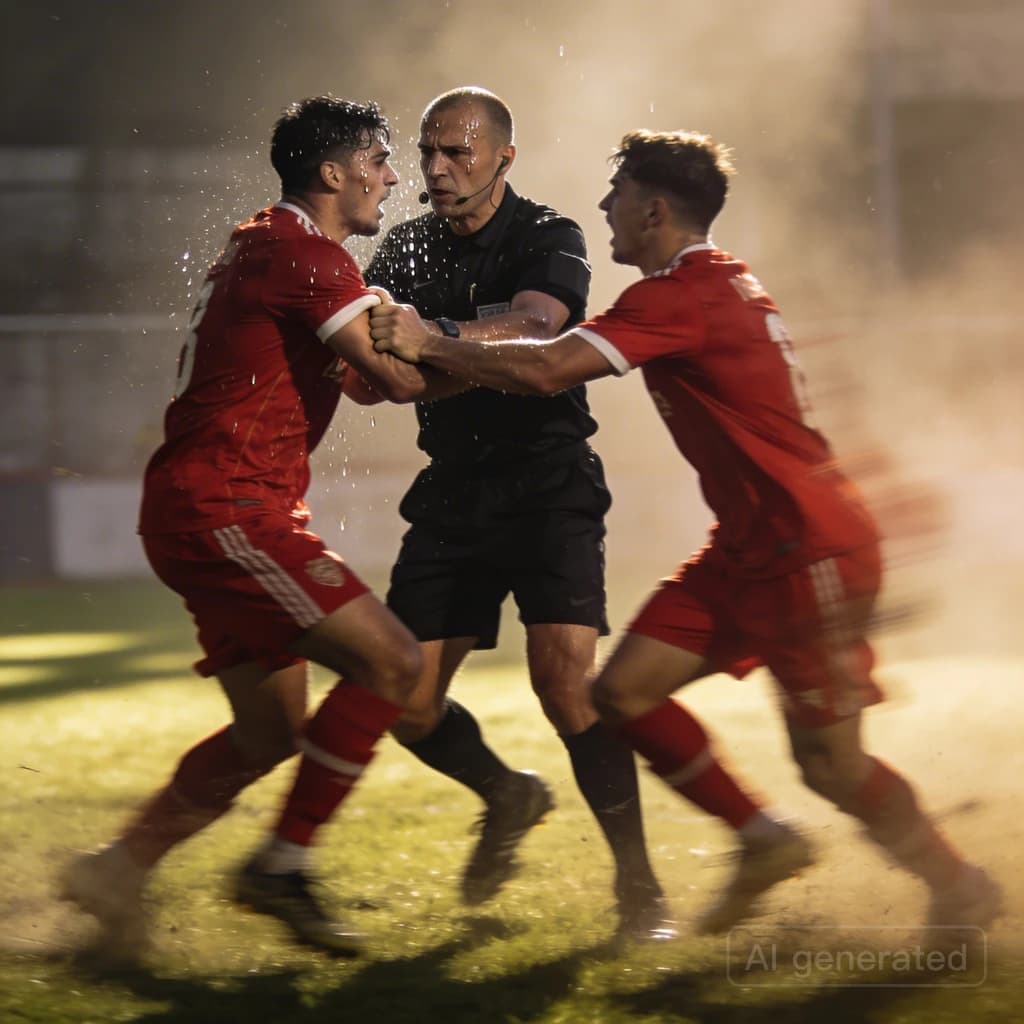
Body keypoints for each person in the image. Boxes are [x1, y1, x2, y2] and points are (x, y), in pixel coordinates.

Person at [369, 128, 1005, 937]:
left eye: (618, 194)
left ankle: (958, 886)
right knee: (620, 693)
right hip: (748, 551)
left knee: (831, 767)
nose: (605, 205)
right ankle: (761, 838)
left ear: (654, 208)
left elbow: (547, 369)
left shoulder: (680, 295)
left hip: (807, 554)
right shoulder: (717, 284)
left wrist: (431, 340)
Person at [58, 96, 463, 959]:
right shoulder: (304, 254)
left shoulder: (267, 243)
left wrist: (421, 344)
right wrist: (508, 361)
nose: (393, 178)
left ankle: (116, 870)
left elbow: (358, 381)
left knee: (269, 732)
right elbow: (393, 381)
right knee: (394, 662)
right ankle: (282, 866)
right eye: (380, 160)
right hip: (229, 510)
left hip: (203, 508)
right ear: (332, 172)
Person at [361, 87, 671, 940]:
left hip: (547, 483)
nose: (435, 169)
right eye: (426, 152)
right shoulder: (403, 248)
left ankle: (641, 892)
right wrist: (443, 355)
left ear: (504, 156)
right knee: (403, 701)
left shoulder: (550, 234)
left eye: (457, 152)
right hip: (453, 492)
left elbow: (540, 328)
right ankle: (507, 794)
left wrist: (435, 340)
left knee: (564, 684)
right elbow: (386, 373)